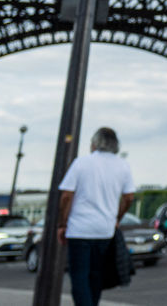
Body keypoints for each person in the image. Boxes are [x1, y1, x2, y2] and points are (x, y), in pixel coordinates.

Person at [57, 127, 136, 306]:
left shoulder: (81, 163)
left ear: (94, 143)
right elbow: (129, 197)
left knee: (79, 278)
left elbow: (66, 196)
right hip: (105, 230)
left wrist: (62, 224)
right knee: (96, 277)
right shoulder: (122, 165)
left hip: (79, 229)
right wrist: (117, 217)